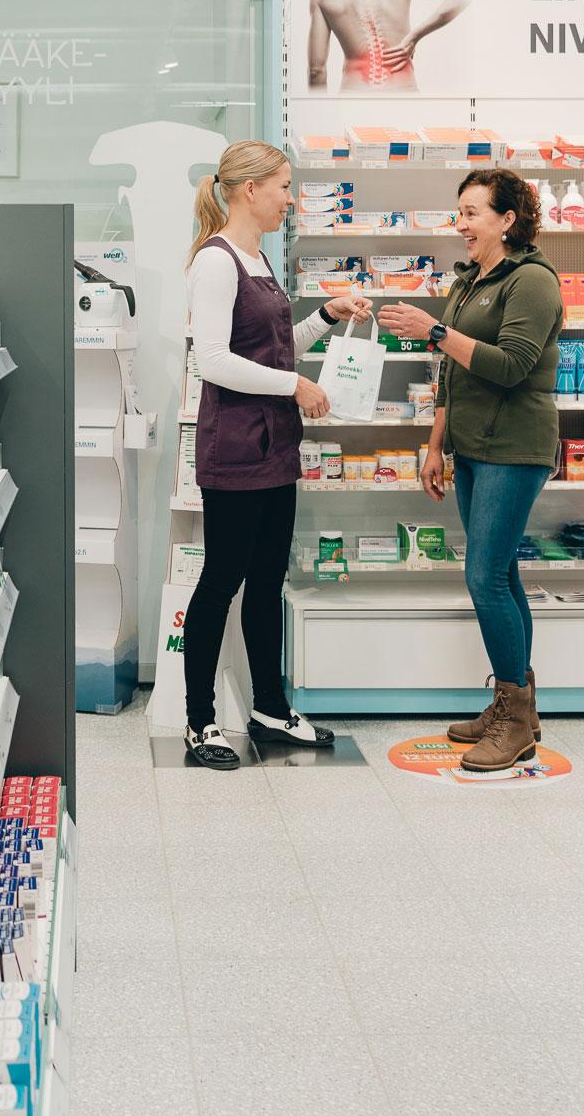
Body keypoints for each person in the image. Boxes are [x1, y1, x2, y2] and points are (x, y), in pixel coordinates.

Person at [181, 140, 372, 770]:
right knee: (220, 583)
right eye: (285, 186)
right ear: (248, 190)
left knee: (266, 581)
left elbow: (272, 346)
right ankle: (199, 721)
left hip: (273, 445)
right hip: (235, 448)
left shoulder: (258, 259)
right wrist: (296, 385)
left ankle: (269, 705)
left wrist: (323, 315)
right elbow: (212, 360)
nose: (291, 199)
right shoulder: (215, 263)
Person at [379, 170, 562, 772]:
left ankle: (514, 718)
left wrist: (434, 331)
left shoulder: (532, 281)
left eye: (472, 212)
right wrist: (435, 445)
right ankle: (517, 709)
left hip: (515, 446)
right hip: (472, 446)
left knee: (483, 577)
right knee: (501, 573)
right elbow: (452, 376)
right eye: (458, 212)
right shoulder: (468, 282)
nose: (461, 224)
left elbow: (511, 366)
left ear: (508, 219)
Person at [307, 0, 469, 93]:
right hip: (403, 94)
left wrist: (320, 114)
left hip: (354, 97)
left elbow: (316, 71)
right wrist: (414, 38)